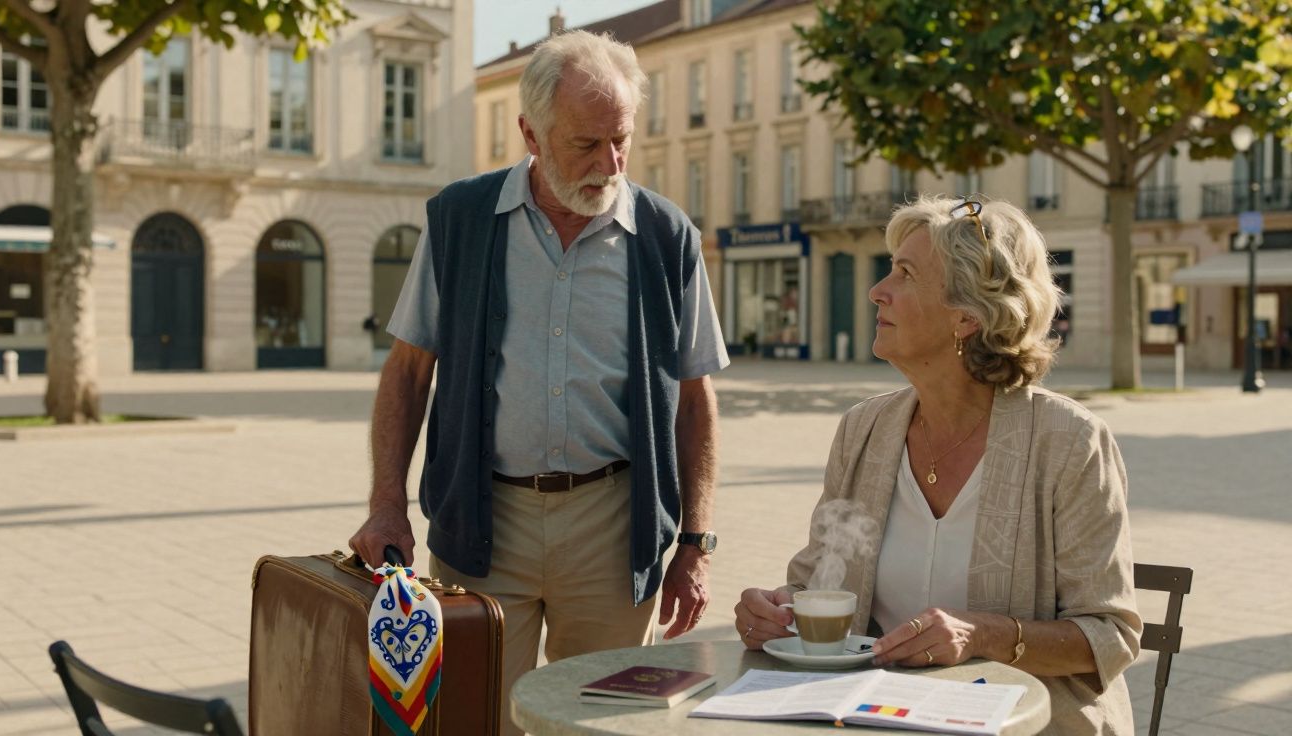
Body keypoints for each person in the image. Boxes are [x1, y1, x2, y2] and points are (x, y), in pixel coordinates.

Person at [349, 30, 729, 735]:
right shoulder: (459, 221)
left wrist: (696, 546)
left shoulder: (666, 234)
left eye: (621, 140)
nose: (609, 163)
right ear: (530, 133)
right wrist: (385, 505)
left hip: (615, 527)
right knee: (473, 715)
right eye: (586, 144)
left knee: (606, 720)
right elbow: (407, 372)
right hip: (483, 519)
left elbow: (694, 399)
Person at [734, 196, 1141, 734]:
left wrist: (986, 635)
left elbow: (1110, 634)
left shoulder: (1070, 441)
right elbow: (820, 581)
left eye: (905, 274)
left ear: (968, 317)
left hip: (1031, 724)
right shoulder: (863, 431)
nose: (877, 291)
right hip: (877, 715)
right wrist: (777, 611)